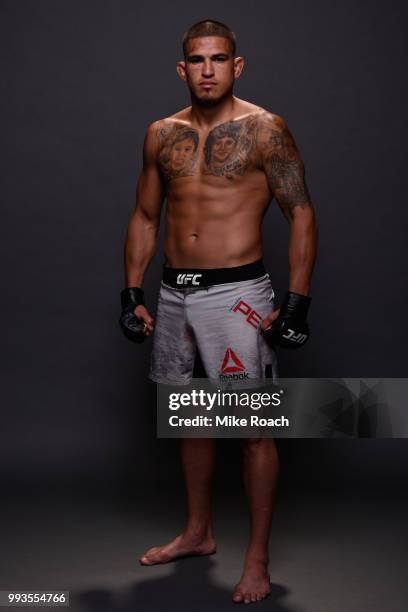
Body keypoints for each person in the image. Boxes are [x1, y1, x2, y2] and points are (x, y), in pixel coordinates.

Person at [120, 19, 318, 604]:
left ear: (238, 65)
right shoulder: (161, 133)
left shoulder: (265, 129)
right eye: (197, 60)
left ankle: (256, 558)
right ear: (182, 69)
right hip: (174, 292)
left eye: (219, 59)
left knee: (252, 429)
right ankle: (198, 532)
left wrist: (298, 302)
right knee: (191, 419)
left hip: (238, 295)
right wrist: (130, 292)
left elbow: (301, 213)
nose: (208, 69)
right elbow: (145, 217)